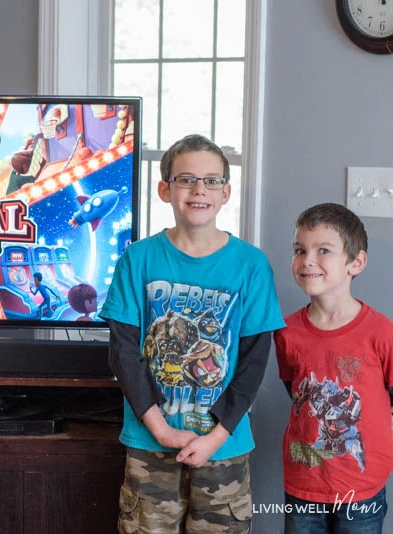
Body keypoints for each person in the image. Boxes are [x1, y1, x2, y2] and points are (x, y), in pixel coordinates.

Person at [99, 133, 285, 533]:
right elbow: (124, 354)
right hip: (150, 442)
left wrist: (216, 436)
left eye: (212, 180)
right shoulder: (138, 259)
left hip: (224, 447)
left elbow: (253, 365)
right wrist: (161, 428)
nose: (200, 190)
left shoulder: (251, 265)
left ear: (226, 192)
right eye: (186, 179)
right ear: (165, 189)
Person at [274, 203, 393, 533]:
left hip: (362, 489)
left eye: (323, 250)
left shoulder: (381, 332)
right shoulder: (285, 331)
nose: (307, 260)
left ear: (356, 262)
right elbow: (296, 392)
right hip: (304, 483)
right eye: (300, 250)